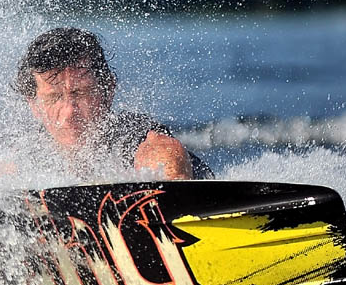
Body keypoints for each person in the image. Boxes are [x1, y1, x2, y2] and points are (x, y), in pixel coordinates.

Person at [11, 27, 213, 180]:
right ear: (34, 106)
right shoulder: (27, 155)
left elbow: (166, 156)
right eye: (54, 98)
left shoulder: (133, 137)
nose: (69, 112)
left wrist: (171, 166)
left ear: (108, 91)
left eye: (80, 93)